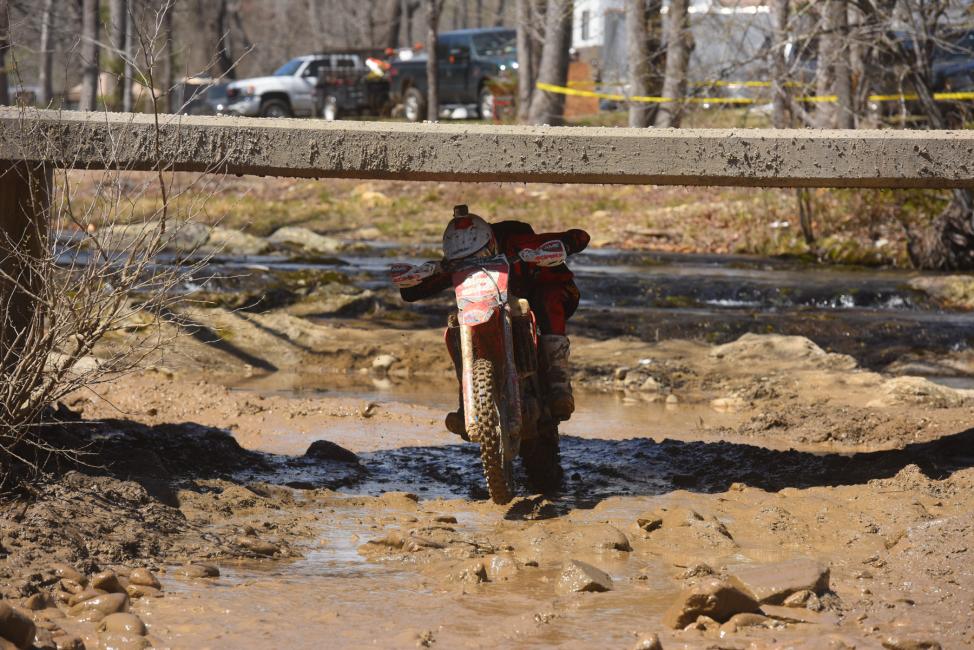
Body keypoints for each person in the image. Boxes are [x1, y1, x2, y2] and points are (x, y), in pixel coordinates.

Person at [393, 205, 590, 437]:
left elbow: (581, 236)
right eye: (463, 262)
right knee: (456, 323)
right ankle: (465, 403)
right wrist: (415, 277)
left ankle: (559, 383)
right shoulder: (457, 263)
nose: (472, 266)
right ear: (453, 257)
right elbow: (410, 293)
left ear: (491, 243)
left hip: (539, 291)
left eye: (478, 257)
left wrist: (565, 244)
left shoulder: (517, 243)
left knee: (548, 299)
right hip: (486, 306)